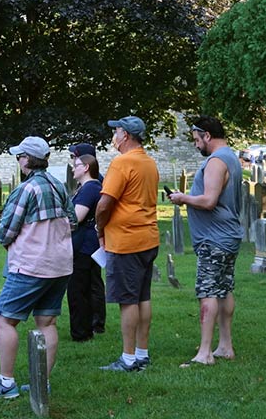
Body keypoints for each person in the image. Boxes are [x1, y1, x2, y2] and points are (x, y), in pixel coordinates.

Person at [0, 137, 76, 399]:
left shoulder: (26, 189)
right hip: (61, 264)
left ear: (26, 160)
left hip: (32, 265)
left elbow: (6, 230)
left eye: (20, 156)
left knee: (3, 318)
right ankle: (41, 382)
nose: (18, 160)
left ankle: (6, 383)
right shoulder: (59, 185)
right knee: (47, 320)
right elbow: (73, 221)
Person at [169, 116, 242, 367]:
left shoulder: (216, 161)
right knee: (224, 289)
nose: (196, 145)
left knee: (208, 292)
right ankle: (225, 346)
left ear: (207, 136)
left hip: (214, 238)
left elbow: (209, 200)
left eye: (197, 140)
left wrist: (183, 198)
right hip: (228, 236)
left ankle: (205, 353)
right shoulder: (231, 157)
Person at [95, 116, 159, 372]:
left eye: (117, 131)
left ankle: (128, 357)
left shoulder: (122, 163)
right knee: (143, 296)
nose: (114, 136)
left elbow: (104, 203)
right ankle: (142, 353)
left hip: (126, 241)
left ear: (127, 136)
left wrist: (100, 226)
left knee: (127, 300)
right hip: (148, 236)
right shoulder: (149, 162)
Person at [66, 153, 106, 341]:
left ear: (86, 167)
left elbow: (76, 217)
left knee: (77, 289)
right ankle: (86, 329)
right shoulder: (86, 187)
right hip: (85, 244)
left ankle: (81, 332)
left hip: (84, 245)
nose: (74, 168)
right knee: (85, 287)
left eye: (76, 165)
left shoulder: (90, 188)